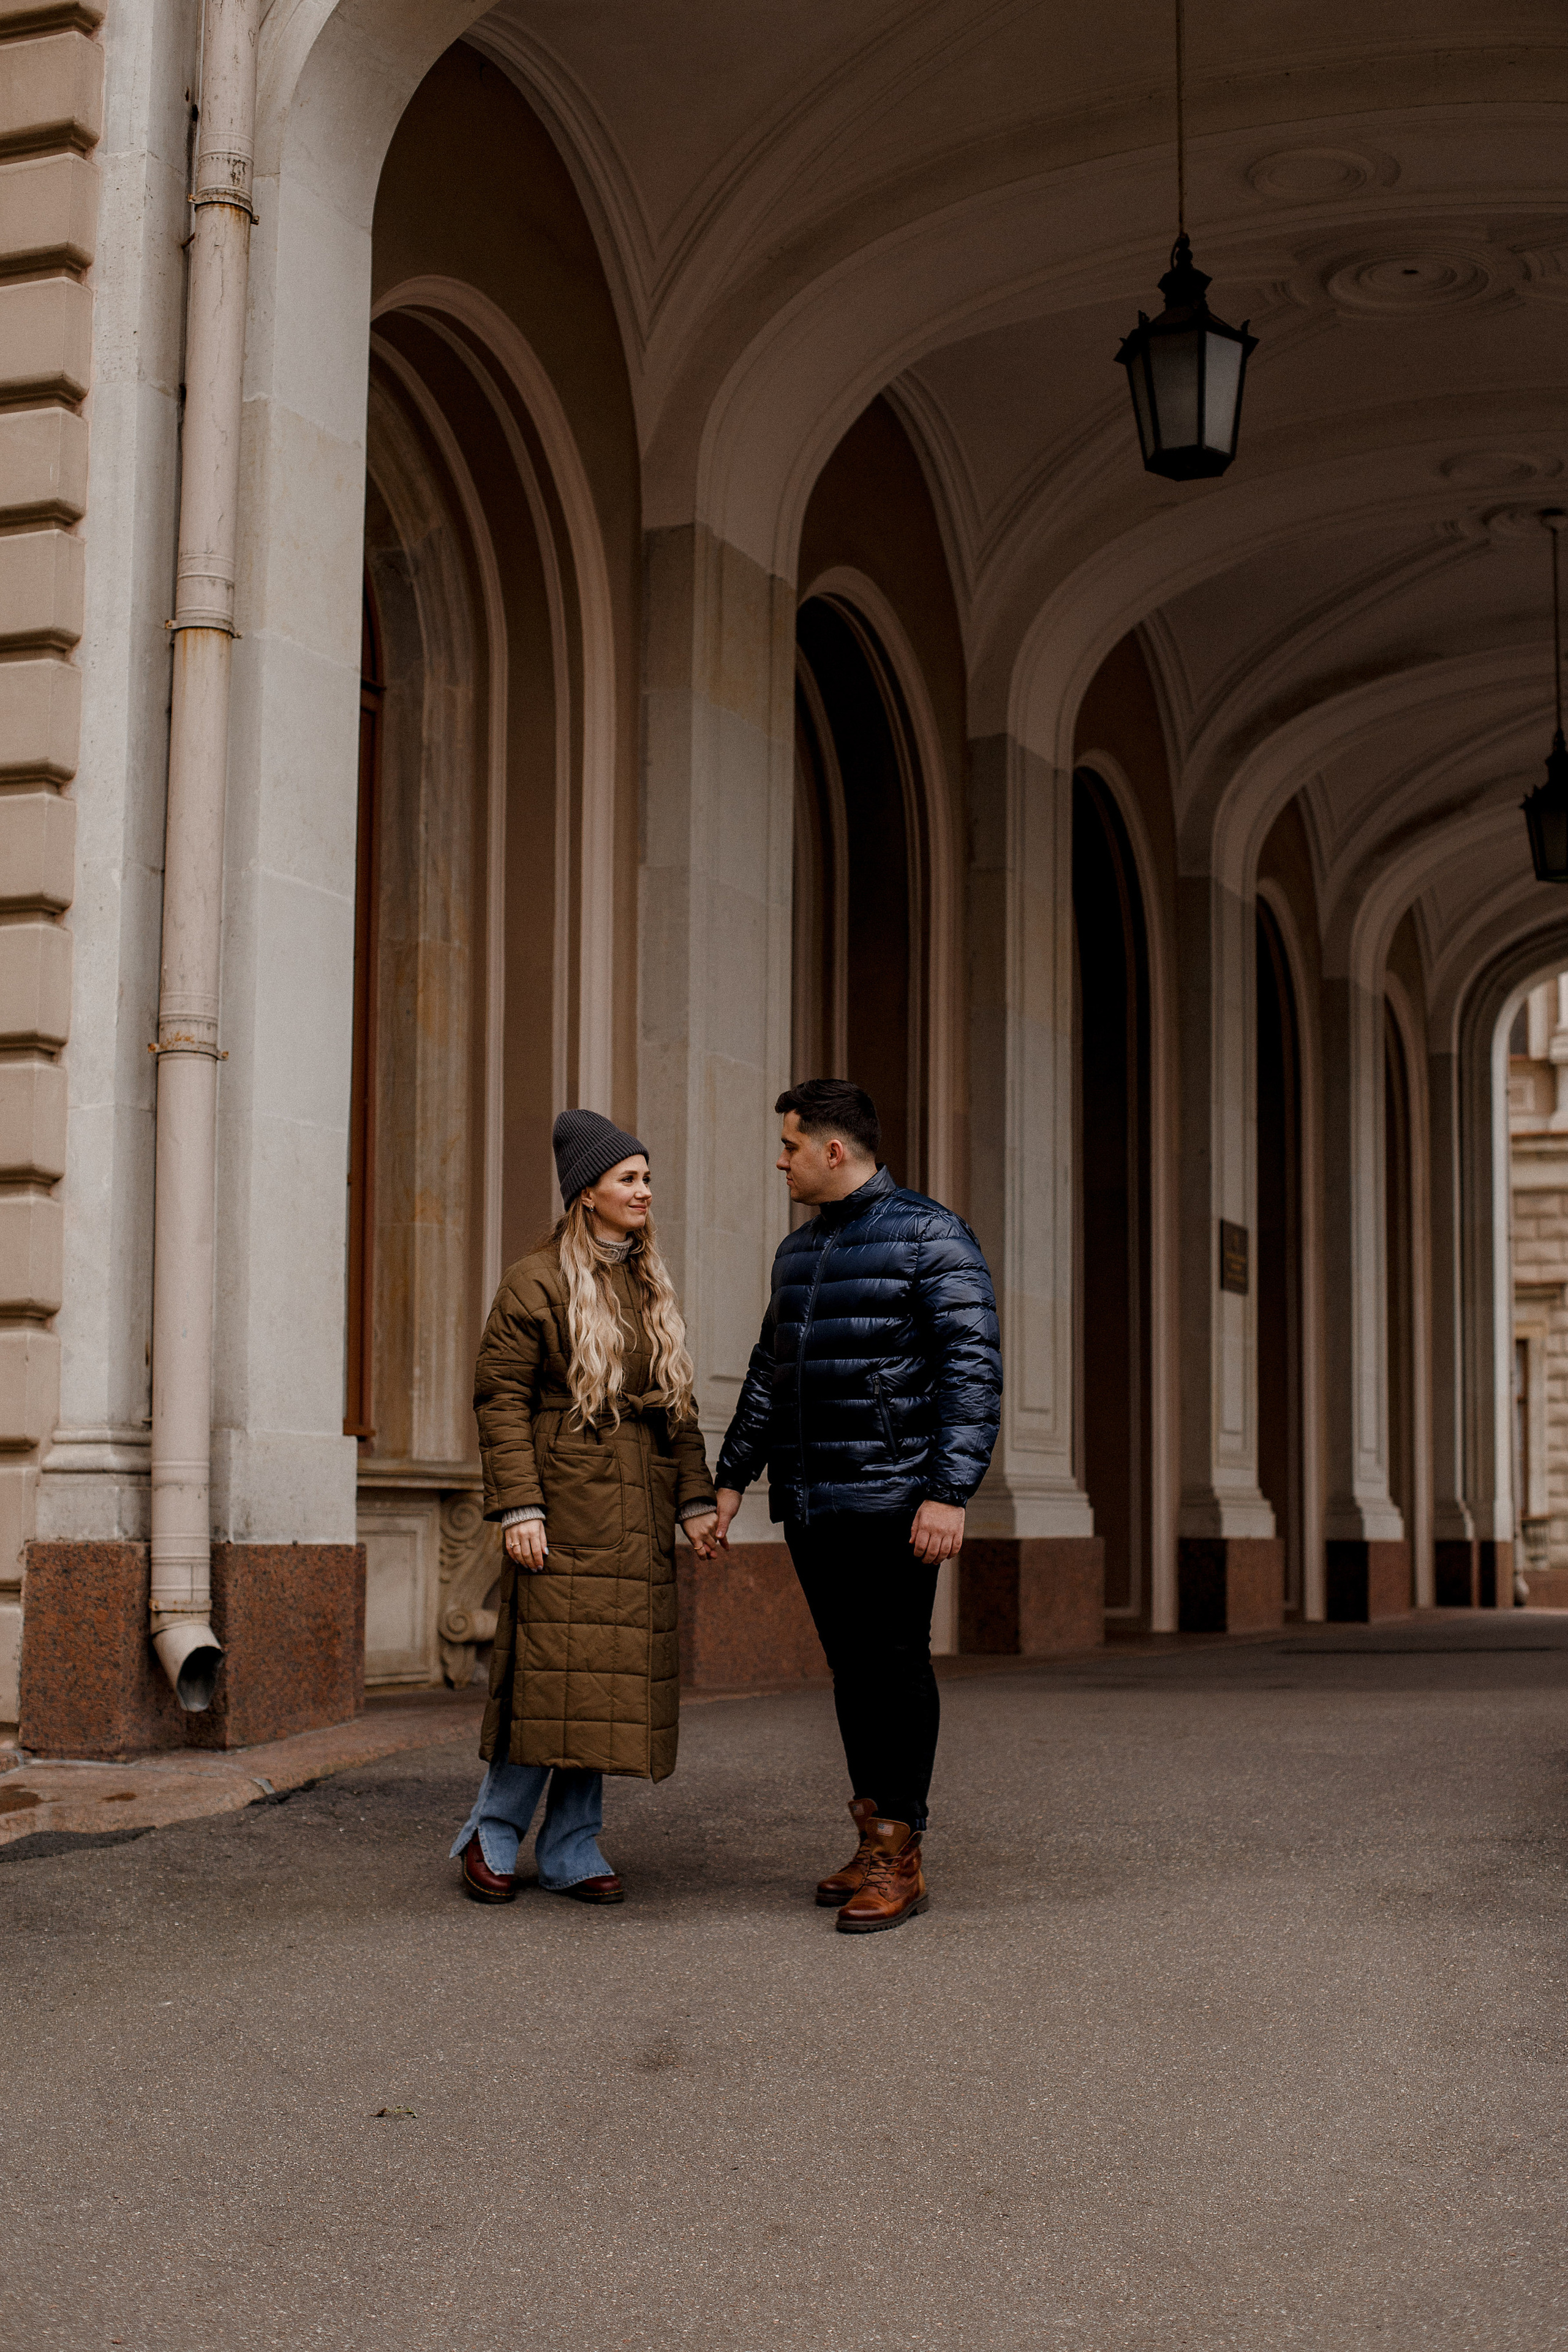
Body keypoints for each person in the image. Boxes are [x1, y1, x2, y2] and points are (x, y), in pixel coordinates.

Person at [713, 1080, 1001, 1933]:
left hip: (894, 1496)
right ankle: (874, 1833)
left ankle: (899, 1852)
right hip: (812, 1498)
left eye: (790, 1145)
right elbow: (769, 1372)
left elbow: (971, 1372)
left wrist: (948, 1492)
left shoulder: (931, 1236)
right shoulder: (797, 1252)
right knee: (852, 1671)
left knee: (895, 1665)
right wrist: (732, 1477)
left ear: (833, 1150)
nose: (781, 1161)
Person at [451, 1109, 720, 1905]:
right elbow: (500, 1398)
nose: (644, 1191)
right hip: (563, 1504)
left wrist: (696, 1499)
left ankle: (572, 1846)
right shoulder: (534, 1280)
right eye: (628, 1178)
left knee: (600, 1683)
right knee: (549, 1672)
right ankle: (492, 1834)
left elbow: (678, 1407)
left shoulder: (647, 1283)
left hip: (636, 1510)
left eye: (647, 1178)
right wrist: (519, 1507)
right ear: (587, 1193)